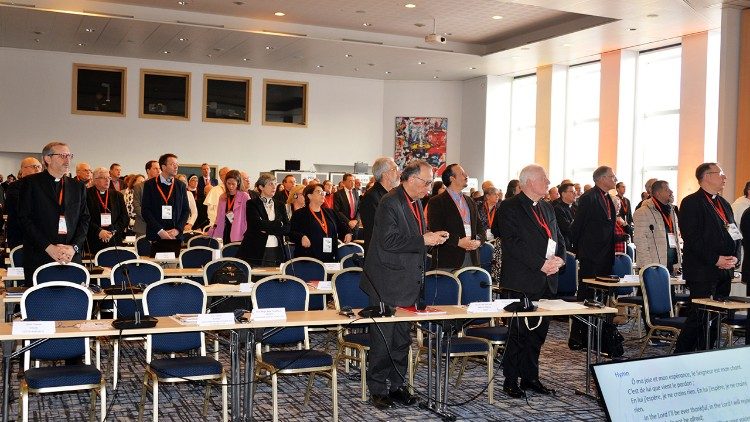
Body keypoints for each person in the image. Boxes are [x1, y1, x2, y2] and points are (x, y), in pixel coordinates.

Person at [361, 159, 448, 409]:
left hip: (408, 281)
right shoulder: (390, 201)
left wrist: (429, 240)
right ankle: (378, 389)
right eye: (426, 182)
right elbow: (388, 241)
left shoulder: (416, 201)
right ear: (410, 179)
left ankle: (397, 386)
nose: (429, 188)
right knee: (383, 341)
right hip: (386, 282)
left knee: (401, 340)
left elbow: (412, 237)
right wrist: (423, 239)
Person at [498, 164, 565, 398]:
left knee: (538, 333)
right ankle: (510, 379)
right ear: (528, 182)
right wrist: (540, 264)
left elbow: (557, 237)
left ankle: (530, 377)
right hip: (521, 279)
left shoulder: (547, 207)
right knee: (518, 334)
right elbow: (513, 243)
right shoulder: (509, 207)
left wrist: (559, 260)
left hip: (546, 278)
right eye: (543, 178)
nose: (548, 182)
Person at [674, 163, 741, 353]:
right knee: (699, 316)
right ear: (706, 176)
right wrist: (715, 259)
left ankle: (707, 354)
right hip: (702, 270)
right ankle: (680, 355)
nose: (724, 177)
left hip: (725, 271)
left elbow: (735, 234)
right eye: (720, 173)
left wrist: (735, 257)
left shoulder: (724, 203)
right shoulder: (691, 202)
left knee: (717, 317)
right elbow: (692, 238)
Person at [19, 142, 89, 287]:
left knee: (73, 303)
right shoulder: (30, 183)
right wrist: (48, 247)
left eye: (69, 155)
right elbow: (25, 219)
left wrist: (73, 247)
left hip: (70, 256)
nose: (67, 159)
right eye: (62, 155)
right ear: (47, 159)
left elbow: (84, 219)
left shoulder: (78, 186)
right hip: (40, 255)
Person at [569, 166, 617, 348]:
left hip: (606, 255)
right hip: (591, 255)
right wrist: (578, 249)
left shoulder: (608, 198)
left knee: (601, 298)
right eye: (612, 176)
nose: (615, 179)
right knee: (586, 295)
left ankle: (597, 334)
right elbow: (578, 226)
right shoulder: (589, 198)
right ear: (602, 178)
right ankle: (577, 336)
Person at [427, 163, 482, 270]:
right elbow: (436, 229)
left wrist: (478, 241)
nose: (467, 175)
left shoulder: (470, 201)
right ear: (452, 178)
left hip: (472, 258)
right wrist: (458, 242)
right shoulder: (437, 202)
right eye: (462, 173)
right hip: (448, 259)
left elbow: (480, 228)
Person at [141, 153, 190, 256]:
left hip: (175, 237)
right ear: (163, 167)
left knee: (172, 270)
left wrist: (178, 229)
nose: (176, 167)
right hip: (156, 235)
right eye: (172, 164)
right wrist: (160, 231)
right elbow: (145, 211)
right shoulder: (150, 185)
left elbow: (186, 210)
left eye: (177, 164)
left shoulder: (180, 185)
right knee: (155, 269)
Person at [290, 183, 352, 262]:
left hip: (329, 257)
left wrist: (347, 233)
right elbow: (291, 232)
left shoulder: (330, 212)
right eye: (319, 192)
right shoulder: (299, 214)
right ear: (309, 196)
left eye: (323, 192)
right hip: (308, 257)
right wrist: (301, 237)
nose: (323, 194)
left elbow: (342, 226)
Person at [238, 173, 290, 267]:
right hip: (256, 248)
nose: (274, 187)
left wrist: (266, 228)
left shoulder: (280, 205)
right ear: (261, 187)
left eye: (275, 184)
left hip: (276, 248)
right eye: (270, 184)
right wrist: (278, 224)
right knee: (257, 278)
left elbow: (287, 228)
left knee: (275, 278)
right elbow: (256, 224)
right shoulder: (252, 203)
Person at [633, 181, 682, 273]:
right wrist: (649, 266)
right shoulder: (642, 212)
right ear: (658, 193)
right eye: (667, 189)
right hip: (653, 266)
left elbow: (674, 238)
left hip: (671, 264)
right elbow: (640, 241)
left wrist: (677, 263)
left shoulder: (671, 211)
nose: (671, 192)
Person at [359, 157, 400, 254]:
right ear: (385, 174)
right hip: (378, 256)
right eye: (395, 169)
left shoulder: (391, 195)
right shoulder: (371, 197)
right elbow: (377, 230)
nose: (399, 174)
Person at [85, 167, 128, 254]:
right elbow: (84, 217)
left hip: (114, 239)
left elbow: (124, 217)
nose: (107, 180)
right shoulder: (85, 194)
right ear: (95, 180)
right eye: (103, 178)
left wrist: (113, 230)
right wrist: (99, 231)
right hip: (94, 238)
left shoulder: (117, 195)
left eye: (108, 177)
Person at [6, 157, 44, 248]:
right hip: (20, 235)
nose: (38, 169)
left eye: (39, 167)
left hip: (40, 235)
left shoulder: (43, 187)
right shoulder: (14, 187)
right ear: (23, 169)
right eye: (34, 166)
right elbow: (22, 208)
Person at [207, 170, 249, 244]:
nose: (230, 186)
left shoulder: (244, 196)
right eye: (228, 183)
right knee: (225, 253)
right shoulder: (223, 197)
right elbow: (219, 217)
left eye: (233, 184)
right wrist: (213, 229)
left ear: (238, 183)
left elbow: (249, 217)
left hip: (239, 231)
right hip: (225, 230)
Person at [132, 160, 160, 237]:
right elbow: (137, 206)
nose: (158, 171)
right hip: (143, 227)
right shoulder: (139, 187)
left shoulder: (163, 187)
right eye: (155, 168)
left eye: (159, 168)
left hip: (161, 227)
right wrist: (150, 219)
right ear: (148, 170)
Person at [553, 182, 576, 250]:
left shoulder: (576, 207)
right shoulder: (558, 209)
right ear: (563, 194)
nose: (575, 193)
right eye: (572, 191)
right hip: (566, 244)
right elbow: (567, 228)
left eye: (575, 191)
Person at [195, 163, 218, 228]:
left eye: (207, 169)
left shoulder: (215, 181)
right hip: (201, 204)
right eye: (204, 169)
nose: (206, 170)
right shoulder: (198, 180)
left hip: (213, 204)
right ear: (201, 171)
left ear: (210, 170)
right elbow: (198, 193)